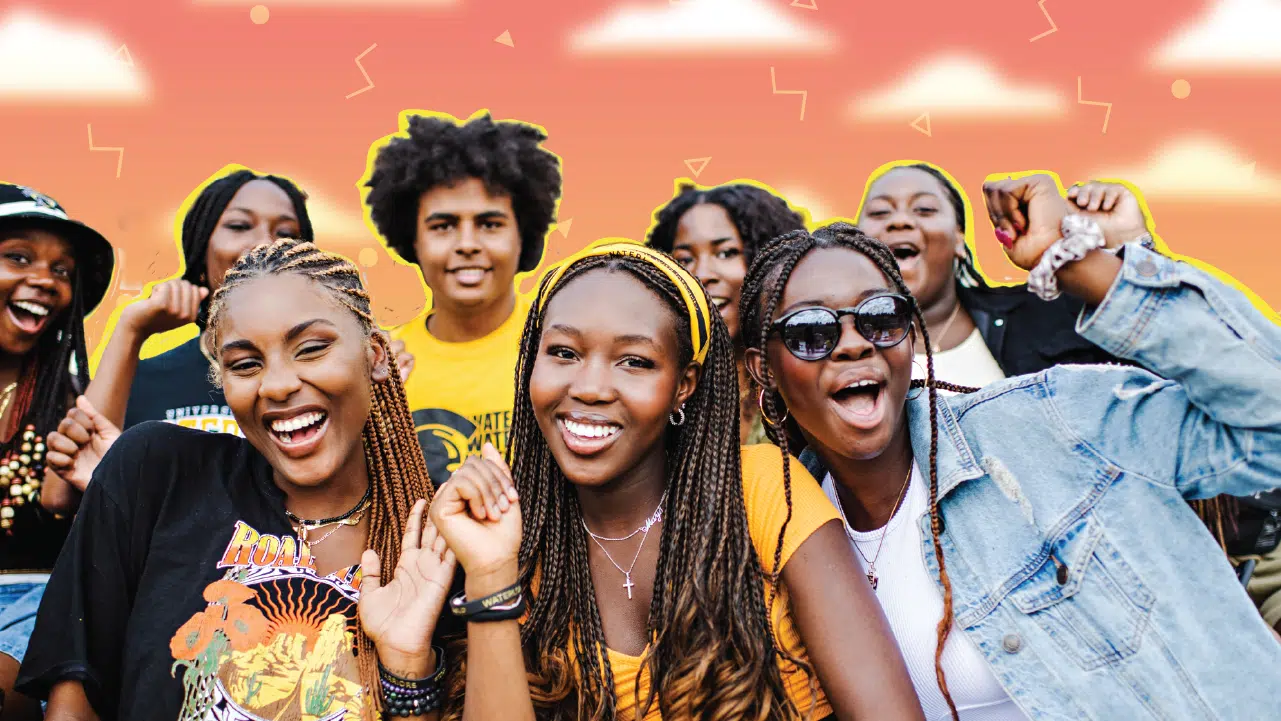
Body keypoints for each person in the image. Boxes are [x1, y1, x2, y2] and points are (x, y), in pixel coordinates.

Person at [739, 174, 1281, 719]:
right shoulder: (773, 536)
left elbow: (1270, 424)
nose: (855, 343)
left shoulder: (1051, 422)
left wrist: (1085, 266)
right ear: (764, 369)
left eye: (882, 318)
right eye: (811, 331)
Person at [428, 240, 923, 720]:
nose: (591, 387)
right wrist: (492, 573)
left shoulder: (763, 491)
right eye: (563, 353)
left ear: (683, 386)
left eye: (634, 362)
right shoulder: (516, 535)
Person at [18, 238, 456, 721]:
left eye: (311, 349)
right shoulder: (157, 473)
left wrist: (410, 667)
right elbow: (73, 695)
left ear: (375, 355)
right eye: (245, 364)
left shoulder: (433, 539)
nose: (278, 384)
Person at [363, 111, 562, 487]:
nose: (467, 244)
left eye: (490, 224)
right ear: (413, 240)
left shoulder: (562, 346)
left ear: (524, 237)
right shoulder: (384, 365)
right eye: (443, 226)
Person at [854, 162, 1151, 388]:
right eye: (880, 213)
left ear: (959, 239)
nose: (900, 221)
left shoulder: (1050, 314)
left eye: (924, 209)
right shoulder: (829, 345)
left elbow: (1163, 362)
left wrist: (1129, 246)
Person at [0, 182, 114, 720]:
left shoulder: (68, 400)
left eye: (63, 270)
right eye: (18, 257)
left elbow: (60, 504)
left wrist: (133, 330)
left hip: (35, 613)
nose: (44, 280)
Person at [85, 167, 313, 435]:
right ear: (201, 253)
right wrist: (131, 328)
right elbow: (83, 464)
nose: (265, 243)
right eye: (239, 226)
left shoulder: (325, 374)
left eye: (286, 234)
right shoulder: (143, 382)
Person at [646, 182, 808, 444]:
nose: (702, 274)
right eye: (684, 259)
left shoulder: (807, 378)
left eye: (726, 253)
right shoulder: (657, 390)